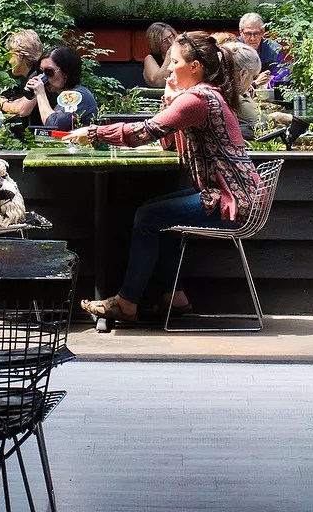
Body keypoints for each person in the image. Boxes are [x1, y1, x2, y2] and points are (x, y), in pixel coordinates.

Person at [65, 31, 260, 323]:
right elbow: (167, 141)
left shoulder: (197, 99)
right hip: (231, 194)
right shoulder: (203, 95)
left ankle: (126, 303)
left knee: (148, 216)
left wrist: (93, 133)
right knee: (156, 212)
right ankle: (173, 296)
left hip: (232, 201)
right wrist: (170, 101)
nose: (169, 69)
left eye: (175, 62)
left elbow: (143, 132)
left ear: (194, 67)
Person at [25, 45, 99, 130]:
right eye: (40, 71)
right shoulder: (63, 95)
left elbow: (53, 125)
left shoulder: (76, 95)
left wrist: (41, 94)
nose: (43, 77)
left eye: (49, 72)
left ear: (65, 73)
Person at [0, 30, 46, 127]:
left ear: (20, 56)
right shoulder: (37, 72)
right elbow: (26, 99)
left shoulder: (39, 76)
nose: (9, 61)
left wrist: (2, 104)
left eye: (10, 55)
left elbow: (23, 109)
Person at [222, 41, 263, 129]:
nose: (252, 81)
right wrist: (277, 117)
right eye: (253, 76)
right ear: (243, 73)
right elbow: (260, 122)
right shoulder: (231, 97)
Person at [238, 12, 282, 88]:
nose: (252, 38)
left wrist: (270, 80)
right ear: (241, 32)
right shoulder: (233, 50)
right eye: (248, 33)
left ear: (263, 32)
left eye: (256, 33)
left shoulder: (274, 50)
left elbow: (279, 77)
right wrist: (255, 83)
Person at [142, 22, 177, 89]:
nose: (170, 42)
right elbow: (158, 83)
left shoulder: (182, 54)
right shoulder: (150, 58)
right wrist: (168, 57)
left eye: (171, 37)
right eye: (165, 40)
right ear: (156, 43)